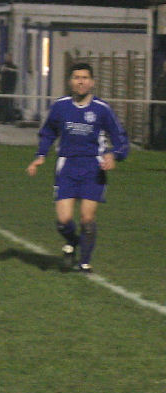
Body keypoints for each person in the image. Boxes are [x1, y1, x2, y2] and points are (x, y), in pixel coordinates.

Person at [26, 63, 129, 273]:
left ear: (92, 82)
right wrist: (40, 155)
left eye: (84, 77)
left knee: (87, 219)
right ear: (70, 81)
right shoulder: (61, 106)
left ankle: (84, 263)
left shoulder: (102, 109)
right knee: (63, 221)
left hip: (93, 168)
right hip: (67, 166)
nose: (80, 81)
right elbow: (48, 132)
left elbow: (121, 140)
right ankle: (72, 242)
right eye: (76, 77)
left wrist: (114, 155)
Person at [0, 52, 19, 123]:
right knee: (4, 104)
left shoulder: (13, 67)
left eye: (8, 57)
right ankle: (3, 118)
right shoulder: (3, 65)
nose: (7, 58)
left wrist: (8, 70)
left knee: (9, 103)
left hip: (10, 87)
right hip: (3, 87)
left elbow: (15, 74)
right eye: (6, 57)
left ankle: (11, 118)